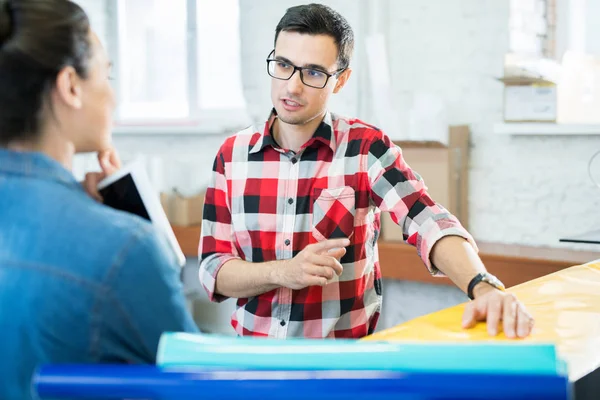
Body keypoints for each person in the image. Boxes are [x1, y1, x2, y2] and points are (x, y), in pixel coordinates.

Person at [199, 3, 534, 339]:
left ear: (341, 80)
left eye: (314, 72)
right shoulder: (232, 156)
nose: (293, 86)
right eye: (284, 65)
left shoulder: (365, 148)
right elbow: (214, 269)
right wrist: (283, 272)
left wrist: (484, 286)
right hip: (255, 370)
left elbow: (426, 219)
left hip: (342, 370)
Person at [0, 1, 198, 398]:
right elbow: (197, 378)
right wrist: (141, 231)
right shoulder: (124, 248)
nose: (111, 95)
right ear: (70, 86)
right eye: (106, 74)